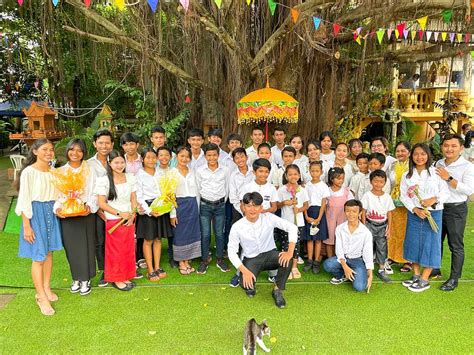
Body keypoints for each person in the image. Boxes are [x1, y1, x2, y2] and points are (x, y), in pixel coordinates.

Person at [16, 138, 62, 316]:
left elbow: (59, 194)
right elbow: (24, 199)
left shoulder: (53, 172)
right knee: (39, 256)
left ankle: (46, 287)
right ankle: (40, 296)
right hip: (35, 214)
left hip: (51, 212)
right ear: (35, 151)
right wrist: (27, 225)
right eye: (44, 149)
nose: (49, 152)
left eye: (51, 149)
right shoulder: (29, 172)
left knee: (49, 252)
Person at [227, 192, 297, 308]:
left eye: (256, 206)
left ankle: (277, 290)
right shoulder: (237, 226)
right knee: (246, 285)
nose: (252, 209)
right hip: (252, 259)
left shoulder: (268, 217)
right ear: (243, 207)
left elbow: (292, 228)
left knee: (287, 260)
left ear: (261, 208)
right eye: (249, 206)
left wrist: (290, 252)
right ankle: (249, 282)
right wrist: (244, 271)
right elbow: (231, 252)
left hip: (270, 255)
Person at [399, 143, 449, 293]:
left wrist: (433, 199)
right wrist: (414, 209)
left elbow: (445, 192)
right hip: (415, 214)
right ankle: (415, 275)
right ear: (411, 156)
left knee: (430, 244)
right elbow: (403, 196)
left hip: (433, 213)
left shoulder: (436, 172)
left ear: (428, 155)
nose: (419, 157)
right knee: (413, 243)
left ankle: (424, 279)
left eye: (423, 154)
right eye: (416, 154)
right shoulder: (407, 175)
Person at [54, 138, 97, 296]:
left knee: (86, 246)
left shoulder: (89, 170)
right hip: (67, 215)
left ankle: (85, 279)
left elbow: (94, 192)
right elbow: (57, 194)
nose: (75, 153)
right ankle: (76, 278)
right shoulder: (60, 171)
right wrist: (58, 207)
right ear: (67, 151)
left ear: (84, 152)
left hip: (84, 213)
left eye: (79, 150)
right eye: (72, 149)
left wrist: (89, 206)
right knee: (71, 247)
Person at [434, 134, 474, 291]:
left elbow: (469, 190)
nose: (449, 149)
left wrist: (448, 178)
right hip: (439, 207)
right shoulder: (438, 163)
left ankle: (454, 278)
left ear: (461, 148)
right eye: (446, 145)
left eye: (453, 146)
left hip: (456, 209)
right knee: (436, 241)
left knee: (455, 245)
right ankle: (435, 269)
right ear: (442, 147)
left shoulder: (467, 166)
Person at [95, 150, 138, 292]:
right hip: (113, 220)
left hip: (128, 219)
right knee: (116, 251)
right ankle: (116, 278)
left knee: (127, 249)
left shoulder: (130, 177)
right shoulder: (104, 180)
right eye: (116, 162)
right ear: (109, 163)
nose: (120, 165)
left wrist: (132, 215)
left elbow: (133, 198)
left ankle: (126, 275)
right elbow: (101, 203)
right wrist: (120, 213)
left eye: (122, 162)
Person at [136, 148, 172, 280]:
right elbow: (139, 196)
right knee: (148, 240)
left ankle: (157, 267)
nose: (151, 160)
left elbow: (165, 191)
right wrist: (150, 211)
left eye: (153, 157)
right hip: (147, 210)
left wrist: (164, 206)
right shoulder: (139, 175)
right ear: (143, 160)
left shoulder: (160, 173)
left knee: (157, 239)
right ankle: (150, 269)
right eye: (148, 158)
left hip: (161, 208)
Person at [323, 200, 373, 292]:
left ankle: (358, 273)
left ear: (360, 213)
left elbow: (368, 253)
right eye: (348, 211)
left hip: (357, 260)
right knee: (328, 265)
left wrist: (370, 274)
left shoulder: (366, 232)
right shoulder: (339, 228)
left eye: (354, 211)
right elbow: (339, 249)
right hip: (343, 259)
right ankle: (342, 275)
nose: (351, 214)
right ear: (344, 211)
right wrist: (345, 267)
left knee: (360, 287)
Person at [196, 143, 230, 274]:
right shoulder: (200, 170)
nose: (212, 157)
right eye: (209, 155)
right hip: (205, 205)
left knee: (219, 234)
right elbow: (198, 189)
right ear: (205, 156)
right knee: (205, 234)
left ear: (218, 155)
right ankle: (204, 260)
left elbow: (227, 188)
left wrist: (222, 201)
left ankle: (220, 259)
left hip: (220, 205)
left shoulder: (225, 170)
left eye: (214, 155)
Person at [87, 129, 114, 287]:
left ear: (112, 144)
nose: (104, 146)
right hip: (98, 210)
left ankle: (120, 268)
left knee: (118, 240)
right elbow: (89, 189)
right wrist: (98, 210)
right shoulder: (89, 164)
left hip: (117, 208)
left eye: (107, 143)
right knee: (100, 241)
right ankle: (105, 271)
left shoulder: (117, 159)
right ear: (95, 144)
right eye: (101, 143)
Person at [170, 146, 201, 275]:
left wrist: (198, 208)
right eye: (181, 156)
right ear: (176, 157)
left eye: (187, 156)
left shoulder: (193, 171)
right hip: (179, 205)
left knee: (191, 233)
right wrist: (172, 213)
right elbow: (169, 195)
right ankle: (181, 262)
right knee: (179, 234)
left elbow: (197, 191)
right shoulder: (171, 172)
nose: (184, 159)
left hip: (192, 204)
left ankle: (187, 260)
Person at [361, 170, 395, 283]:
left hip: (383, 225)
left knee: (382, 247)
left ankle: (381, 269)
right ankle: (367, 269)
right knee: (367, 247)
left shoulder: (387, 197)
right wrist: (364, 225)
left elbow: (390, 213)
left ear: (385, 183)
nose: (378, 184)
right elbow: (364, 211)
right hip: (370, 224)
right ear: (371, 182)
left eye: (381, 181)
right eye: (375, 181)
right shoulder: (367, 195)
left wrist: (389, 228)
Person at [277, 164, 309, 279]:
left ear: (299, 175)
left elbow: (306, 205)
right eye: (290, 174)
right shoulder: (282, 190)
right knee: (286, 244)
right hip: (286, 222)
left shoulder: (302, 190)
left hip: (298, 222)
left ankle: (294, 267)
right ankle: (287, 266)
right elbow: (277, 205)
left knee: (296, 245)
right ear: (286, 176)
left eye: (295, 174)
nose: (293, 176)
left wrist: (299, 210)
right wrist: (285, 203)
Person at [387, 141, 411, 273]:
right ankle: (392, 256)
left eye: (403, 151)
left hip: (408, 203)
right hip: (393, 201)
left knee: (407, 231)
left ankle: (407, 259)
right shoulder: (392, 166)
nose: (400, 153)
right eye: (398, 151)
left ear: (408, 152)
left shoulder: (413, 166)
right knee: (393, 229)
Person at [303, 161, 329, 274]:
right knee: (309, 238)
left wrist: (319, 218)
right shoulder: (306, 186)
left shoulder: (323, 186)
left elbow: (324, 203)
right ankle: (309, 260)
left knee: (318, 239)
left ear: (321, 172)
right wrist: (306, 216)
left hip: (319, 213)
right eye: (312, 171)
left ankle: (316, 261)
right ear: (309, 172)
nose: (314, 173)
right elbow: (304, 202)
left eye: (317, 171)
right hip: (309, 211)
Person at [155, 146, 177, 268]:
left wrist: (172, 211)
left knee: (172, 232)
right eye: (161, 155)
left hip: (171, 206)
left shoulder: (173, 171)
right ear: (157, 157)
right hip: (158, 207)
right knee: (157, 235)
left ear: (170, 157)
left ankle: (173, 256)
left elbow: (173, 192)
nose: (164, 157)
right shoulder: (154, 172)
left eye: (166, 155)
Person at [325, 167, 354, 257]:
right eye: (338, 178)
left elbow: (352, 205)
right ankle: (330, 258)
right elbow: (324, 205)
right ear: (331, 179)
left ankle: (341, 258)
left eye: (342, 178)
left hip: (343, 220)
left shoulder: (346, 191)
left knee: (341, 239)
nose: (341, 181)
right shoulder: (327, 191)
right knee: (329, 240)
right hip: (330, 220)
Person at [228, 148, 253, 223]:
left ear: (246, 157)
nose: (240, 160)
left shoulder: (254, 172)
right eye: (237, 158)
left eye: (242, 157)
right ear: (234, 160)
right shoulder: (233, 175)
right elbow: (233, 194)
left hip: (254, 205)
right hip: (238, 207)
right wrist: (241, 209)